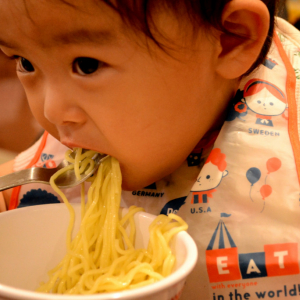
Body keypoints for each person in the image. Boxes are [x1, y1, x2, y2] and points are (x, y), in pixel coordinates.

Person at [0, 0, 299, 299]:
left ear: (230, 39)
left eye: (86, 66)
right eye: (25, 62)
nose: (51, 111)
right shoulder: (89, 133)